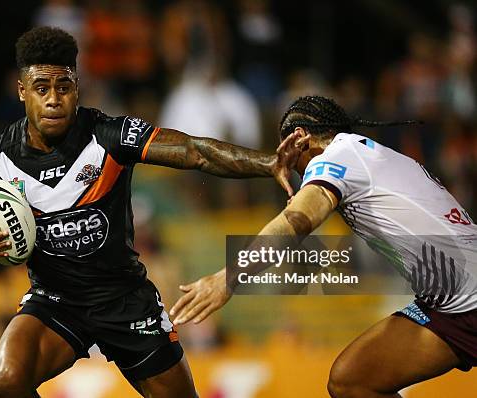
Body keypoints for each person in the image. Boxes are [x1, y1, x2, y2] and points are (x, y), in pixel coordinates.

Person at [0, 26, 305, 398]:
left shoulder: (110, 135)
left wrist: (268, 163)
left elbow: (193, 151)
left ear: (78, 87)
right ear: (23, 90)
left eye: (64, 87)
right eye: (42, 89)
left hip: (124, 300)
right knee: (7, 378)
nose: (54, 99)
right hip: (56, 303)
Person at [170, 95, 476, 398]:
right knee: (351, 380)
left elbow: (297, 221)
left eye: (291, 160)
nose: (293, 171)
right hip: (449, 305)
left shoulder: (335, 157)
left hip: (468, 297)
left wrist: (227, 278)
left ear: (300, 138)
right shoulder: (369, 155)